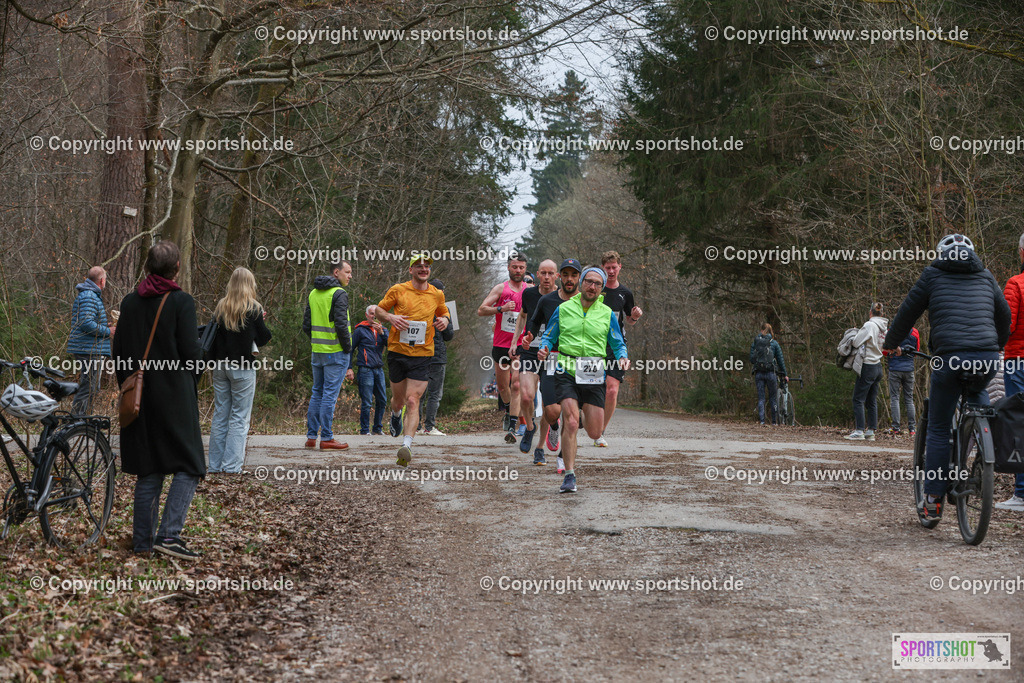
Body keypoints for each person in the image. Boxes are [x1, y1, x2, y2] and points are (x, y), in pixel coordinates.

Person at [884, 234, 1010, 522]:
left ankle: (932, 500)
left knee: (939, 428)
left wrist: (890, 343)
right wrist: (996, 346)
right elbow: (1004, 318)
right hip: (987, 358)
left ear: (941, 254)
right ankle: (977, 461)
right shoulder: (986, 275)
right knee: (979, 402)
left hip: (950, 358)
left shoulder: (932, 274)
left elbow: (907, 314)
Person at [112, 241, 204, 559]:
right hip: (174, 397)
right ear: (176, 267)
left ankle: (143, 544)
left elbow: (119, 350)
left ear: (148, 266)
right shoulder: (182, 302)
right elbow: (192, 354)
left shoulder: (129, 302)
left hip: (137, 397)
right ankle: (168, 535)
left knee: (149, 470)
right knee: (190, 464)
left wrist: (127, 385)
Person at [537, 266, 628, 494]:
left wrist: (623, 357)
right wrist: (545, 347)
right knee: (571, 422)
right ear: (582, 283)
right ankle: (569, 475)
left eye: (598, 283)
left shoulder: (607, 313)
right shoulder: (565, 308)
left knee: (595, 432)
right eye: (589, 281)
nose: (592, 286)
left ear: (602, 288)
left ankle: (582, 419)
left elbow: (617, 341)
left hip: (594, 372)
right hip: (567, 369)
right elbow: (550, 333)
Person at [368, 254, 451, 466]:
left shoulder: (437, 294)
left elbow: (445, 313)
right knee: (399, 400)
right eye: (419, 266)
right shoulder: (398, 290)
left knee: (413, 400)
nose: (424, 269)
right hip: (398, 351)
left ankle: (406, 445)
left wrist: (444, 320)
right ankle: (395, 414)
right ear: (411, 270)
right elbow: (379, 309)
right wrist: (391, 318)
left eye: (427, 266)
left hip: (423, 353)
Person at [207, 267, 272, 474]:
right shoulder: (253, 308)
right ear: (249, 284)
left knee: (220, 415)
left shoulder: (221, 306)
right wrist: (262, 319)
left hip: (220, 366)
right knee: (239, 417)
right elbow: (264, 338)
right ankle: (232, 467)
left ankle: (215, 466)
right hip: (242, 368)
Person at [523, 258, 581, 473]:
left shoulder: (588, 302)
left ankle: (563, 457)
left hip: (578, 360)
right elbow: (534, 322)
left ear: (579, 278)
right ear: (561, 277)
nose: (569, 279)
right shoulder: (547, 301)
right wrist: (529, 338)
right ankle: (553, 427)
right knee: (552, 411)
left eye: (573, 275)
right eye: (565, 275)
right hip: (552, 357)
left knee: (571, 412)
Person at [302, 261, 353, 450]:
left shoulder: (313, 293)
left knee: (317, 392)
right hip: (336, 353)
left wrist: (317, 341)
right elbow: (341, 325)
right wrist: (348, 348)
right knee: (329, 396)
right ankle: (326, 438)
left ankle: (310, 437)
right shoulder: (339, 294)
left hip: (317, 352)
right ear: (336, 272)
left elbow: (306, 325)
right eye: (347, 272)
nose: (350, 276)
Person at [477, 252, 528, 442]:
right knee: (502, 386)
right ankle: (508, 411)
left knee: (516, 385)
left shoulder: (529, 291)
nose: (518, 270)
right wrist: (500, 309)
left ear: (525, 268)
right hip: (500, 344)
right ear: (508, 267)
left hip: (520, 346)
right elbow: (481, 310)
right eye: (515, 267)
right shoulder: (500, 289)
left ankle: (513, 427)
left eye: (521, 267)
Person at [512, 259, 558, 464]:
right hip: (530, 350)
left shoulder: (564, 298)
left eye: (551, 273)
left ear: (556, 276)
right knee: (526, 396)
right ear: (537, 274)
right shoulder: (529, 294)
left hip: (553, 353)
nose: (547, 277)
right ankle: (530, 428)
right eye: (543, 273)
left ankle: (540, 448)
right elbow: (522, 317)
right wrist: (515, 341)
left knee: (549, 405)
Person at [597, 251, 643, 446]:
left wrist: (635, 316)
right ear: (603, 269)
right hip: (594, 345)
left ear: (620, 267)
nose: (611, 271)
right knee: (591, 386)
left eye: (614, 267)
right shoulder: (595, 289)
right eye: (607, 268)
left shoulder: (626, 293)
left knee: (612, 390)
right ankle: (589, 417)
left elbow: (629, 321)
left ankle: (600, 431)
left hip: (616, 346)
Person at [997, 232, 1024, 511]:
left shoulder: (1015, 284)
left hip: (1018, 361)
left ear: (1021, 253)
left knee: (1020, 423)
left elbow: (1008, 326)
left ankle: (1022, 493)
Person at [67, 266, 114, 415]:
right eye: (105, 279)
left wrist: (102, 326)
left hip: (88, 347)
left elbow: (87, 321)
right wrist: (108, 331)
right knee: (88, 388)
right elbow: (86, 323)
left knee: (92, 387)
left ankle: (82, 422)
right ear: (102, 280)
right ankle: (76, 423)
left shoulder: (90, 295)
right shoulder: (89, 295)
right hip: (87, 349)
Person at [845, 303, 888, 440]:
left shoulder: (869, 325)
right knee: (871, 400)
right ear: (882, 314)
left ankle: (859, 430)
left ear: (870, 313)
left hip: (868, 365)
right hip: (878, 366)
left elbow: (856, 342)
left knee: (858, 399)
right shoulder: (884, 329)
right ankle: (871, 431)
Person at [421, 278, 455, 436]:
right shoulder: (446, 310)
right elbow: (449, 336)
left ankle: (415, 427)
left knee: (419, 391)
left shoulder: (418, 305)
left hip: (419, 354)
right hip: (437, 356)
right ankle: (429, 427)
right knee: (434, 393)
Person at [351, 309, 388, 436]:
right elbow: (350, 349)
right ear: (367, 315)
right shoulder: (360, 330)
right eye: (372, 314)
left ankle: (377, 428)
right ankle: (365, 430)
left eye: (376, 314)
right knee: (367, 402)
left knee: (382, 400)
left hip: (379, 369)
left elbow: (391, 344)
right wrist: (348, 368)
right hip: (365, 369)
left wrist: (382, 333)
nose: (374, 316)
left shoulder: (384, 330)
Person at [749, 324, 788, 426]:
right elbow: (780, 360)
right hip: (771, 374)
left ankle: (762, 421)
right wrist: (785, 374)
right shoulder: (774, 343)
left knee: (761, 398)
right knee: (773, 398)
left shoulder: (756, 343)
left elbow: (752, 359)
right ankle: (774, 421)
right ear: (771, 332)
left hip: (759, 374)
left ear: (761, 330)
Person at [884, 327, 919, 436]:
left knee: (895, 398)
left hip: (895, 368)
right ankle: (912, 429)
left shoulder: (892, 331)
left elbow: (886, 351)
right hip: (909, 369)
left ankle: (896, 428)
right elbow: (916, 351)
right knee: (909, 399)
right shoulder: (915, 332)